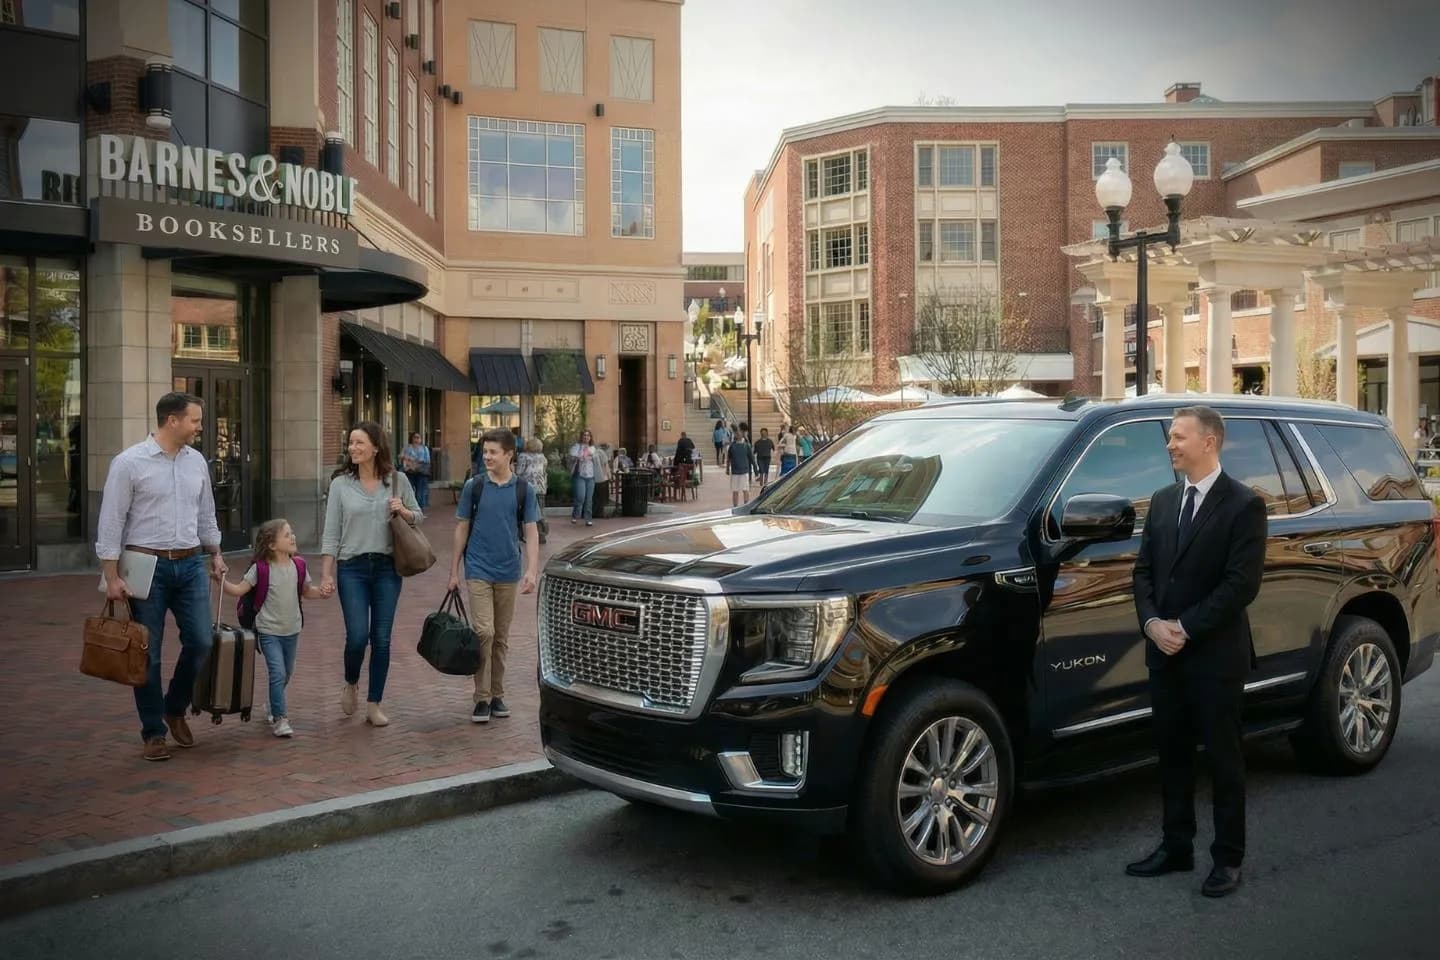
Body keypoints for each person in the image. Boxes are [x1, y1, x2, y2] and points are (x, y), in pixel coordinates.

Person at [1129, 405, 1266, 899]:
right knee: (1172, 755)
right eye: (1170, 437)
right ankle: (1176, 846)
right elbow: (1143, 573)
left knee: (1224, 761)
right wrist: (1151, 624)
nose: (1170, 445)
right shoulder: (1163, 501)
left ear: (1209, 442)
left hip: (1215, 657)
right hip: (1164, 654)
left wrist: (1184, 627)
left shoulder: (1243, 504)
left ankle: (1228, 859)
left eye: (1178, 437)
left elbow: (1240, 586)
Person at [96, 392, 228, 762]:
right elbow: (111, 522)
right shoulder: (128, 463)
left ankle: (175, 707)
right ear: (173, 420)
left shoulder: (196, 462)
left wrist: (215, 553)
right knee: (147, 654)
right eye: (195, 420)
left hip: (189, 565)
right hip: (144, 567)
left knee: (202, 641)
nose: (200, 427)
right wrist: (112, 577)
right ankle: (153, 731)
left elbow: (206, 514)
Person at [320, 422, 422, 728]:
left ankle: (374, 703)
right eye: (350, 442)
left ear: (376, 448)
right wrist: (326, 574)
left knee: (381, 638)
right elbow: (330, 534)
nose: (352, 448)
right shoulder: (340, 484)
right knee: (356, 636)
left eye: (358, 443)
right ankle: (351, 681)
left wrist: (403, 510)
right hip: (351, 569)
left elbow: (418, 516)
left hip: (387, 569)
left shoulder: (397, 480)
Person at [448, 428, 540, 724]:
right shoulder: (474, 487)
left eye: (492, 452)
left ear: (509, 454)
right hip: (477, 568)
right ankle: (481, 697)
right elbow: (462, 527)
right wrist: (454, 571)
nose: (486, 456)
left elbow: (531, 530)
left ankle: (497, 694)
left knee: (501, 637)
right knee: (483, 632)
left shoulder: (522, 489)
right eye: (484, 451)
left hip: (508, 570)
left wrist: (532, 568)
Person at [221, 519, 329, 738]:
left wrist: (324, 592)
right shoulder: (260, 569)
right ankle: (280, 718)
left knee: (286, 673)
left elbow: (307, 591)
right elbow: (239, 589)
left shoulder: (299, 565)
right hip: (268, 631)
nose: (293, 537)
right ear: (271, 544)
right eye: (287, 535)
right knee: (277, 673)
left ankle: (271, 704)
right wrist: (220, 581)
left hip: (292, 630)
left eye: (292, 533)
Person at [515, 437, 550, 544]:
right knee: (540, 512)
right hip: (540, 488)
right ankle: (541, 535)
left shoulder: (523, 456)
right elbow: (544, 472)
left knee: (522, 511)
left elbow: (519, 472)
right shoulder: (543, 457)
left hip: (527, 488)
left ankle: (520, 535)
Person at [568, 428, 599, 526]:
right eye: (584, 435)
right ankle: (575, 515)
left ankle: (588, 519)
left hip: (591, 476)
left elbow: (595, 457)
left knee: (589, 499)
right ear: (581, 437)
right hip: (580, 475)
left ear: (590, 438)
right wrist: (581, 455)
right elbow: (572, 455)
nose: (586, 437)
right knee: (580, 497)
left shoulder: (593, 448)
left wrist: (591, 455)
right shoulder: (577, 447)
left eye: (588, 435)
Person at [726, 421, 755, 507]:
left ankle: (746, 505)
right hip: (735, 471)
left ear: (742, 433)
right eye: (736, 432)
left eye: (739, 432)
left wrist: (756, 470)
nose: (737, 434)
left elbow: (752, 458)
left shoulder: (746, 445)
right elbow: (729, 458)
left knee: (745, 489)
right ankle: (735, 506)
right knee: (735, 490)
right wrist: (727, 468)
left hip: (744, 471)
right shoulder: (732, 446)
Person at [400, 432, 431, 511]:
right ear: (412, 438)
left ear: (421, 439)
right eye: (415, 437)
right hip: (409, 472)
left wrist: (414, 462)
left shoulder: (424, 448)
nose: (416, 439)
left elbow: (427, 460)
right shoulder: (407, 448)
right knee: (409, 490)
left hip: (421, 472)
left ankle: (420, 509)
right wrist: (408, 460)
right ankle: (410, 507)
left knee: (420, 491)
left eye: (418, 438)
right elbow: (401, 457)